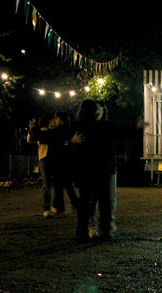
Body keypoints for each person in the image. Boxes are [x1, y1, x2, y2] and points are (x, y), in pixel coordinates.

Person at [70, 99, 147, 241]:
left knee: (85, 201)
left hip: (84, 170)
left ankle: (82, 231)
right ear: (95, 112)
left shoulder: (77, 126)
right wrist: (136, 126)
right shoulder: (104, 126)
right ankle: (106, 230)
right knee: (104, 201)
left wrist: (71, 140)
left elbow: (58, 136)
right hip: (102, 169)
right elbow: (121, 131)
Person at [27, 112, 78, 218]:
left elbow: (45, 137)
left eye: (57, 118)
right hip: (57, 159)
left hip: (59, 160)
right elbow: (38, 138)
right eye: (53, 119)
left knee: (61, 183)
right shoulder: (61, 129)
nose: (55, 120)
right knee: (62, 183)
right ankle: (60, 207)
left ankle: (63, 207)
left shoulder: (59, 130)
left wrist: (33, 128)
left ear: (61, 120)